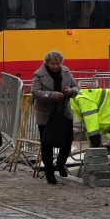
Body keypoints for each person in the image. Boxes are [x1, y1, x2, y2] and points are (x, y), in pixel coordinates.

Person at [31, 50, 79, 184]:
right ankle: (49, 174)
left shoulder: (66, 72)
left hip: (64, 112)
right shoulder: (38, 75)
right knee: (47, 144)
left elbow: (76, 86)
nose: (56, 66)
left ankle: (60, 162)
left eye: (58, 63)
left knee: (68, 140)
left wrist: (71, 91)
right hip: (46, 114)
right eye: (53, 64)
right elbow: (35, 92)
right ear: (47, 63)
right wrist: (51, 95)